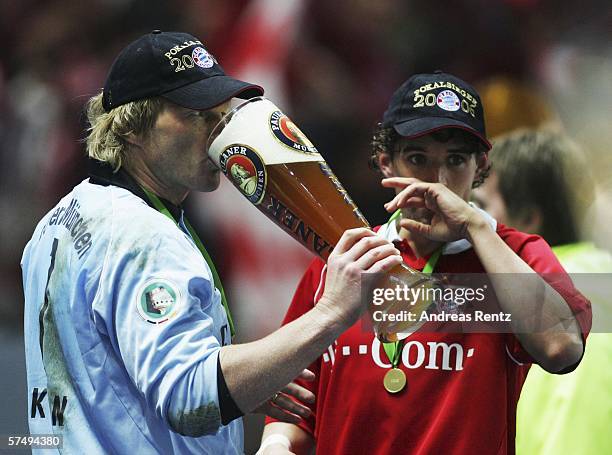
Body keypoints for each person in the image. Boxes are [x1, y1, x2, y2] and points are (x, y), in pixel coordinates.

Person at [20, 31, 404, 454]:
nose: (219, 130)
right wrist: (332, 312)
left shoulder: (61, 219)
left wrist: (241, 379)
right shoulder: (143, 237)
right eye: (197, 114)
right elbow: (189, 398)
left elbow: (117, 369)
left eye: (222, 114)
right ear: (132, 127)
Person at [260, 72, 591, 454]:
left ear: (481, 167)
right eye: (418, 159)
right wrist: (276, 444)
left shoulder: (515, 255)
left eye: (456, 161)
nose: (437, 182)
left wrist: (475, 227)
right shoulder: (345, 258)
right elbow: (297, 402)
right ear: (387, 164)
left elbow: (561, 349)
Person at [472, 128, 612, 454]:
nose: (472, 220)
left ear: (530, 219)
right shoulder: (599, 271)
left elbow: (574, 427)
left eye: (481, 206)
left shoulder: (551, 300)